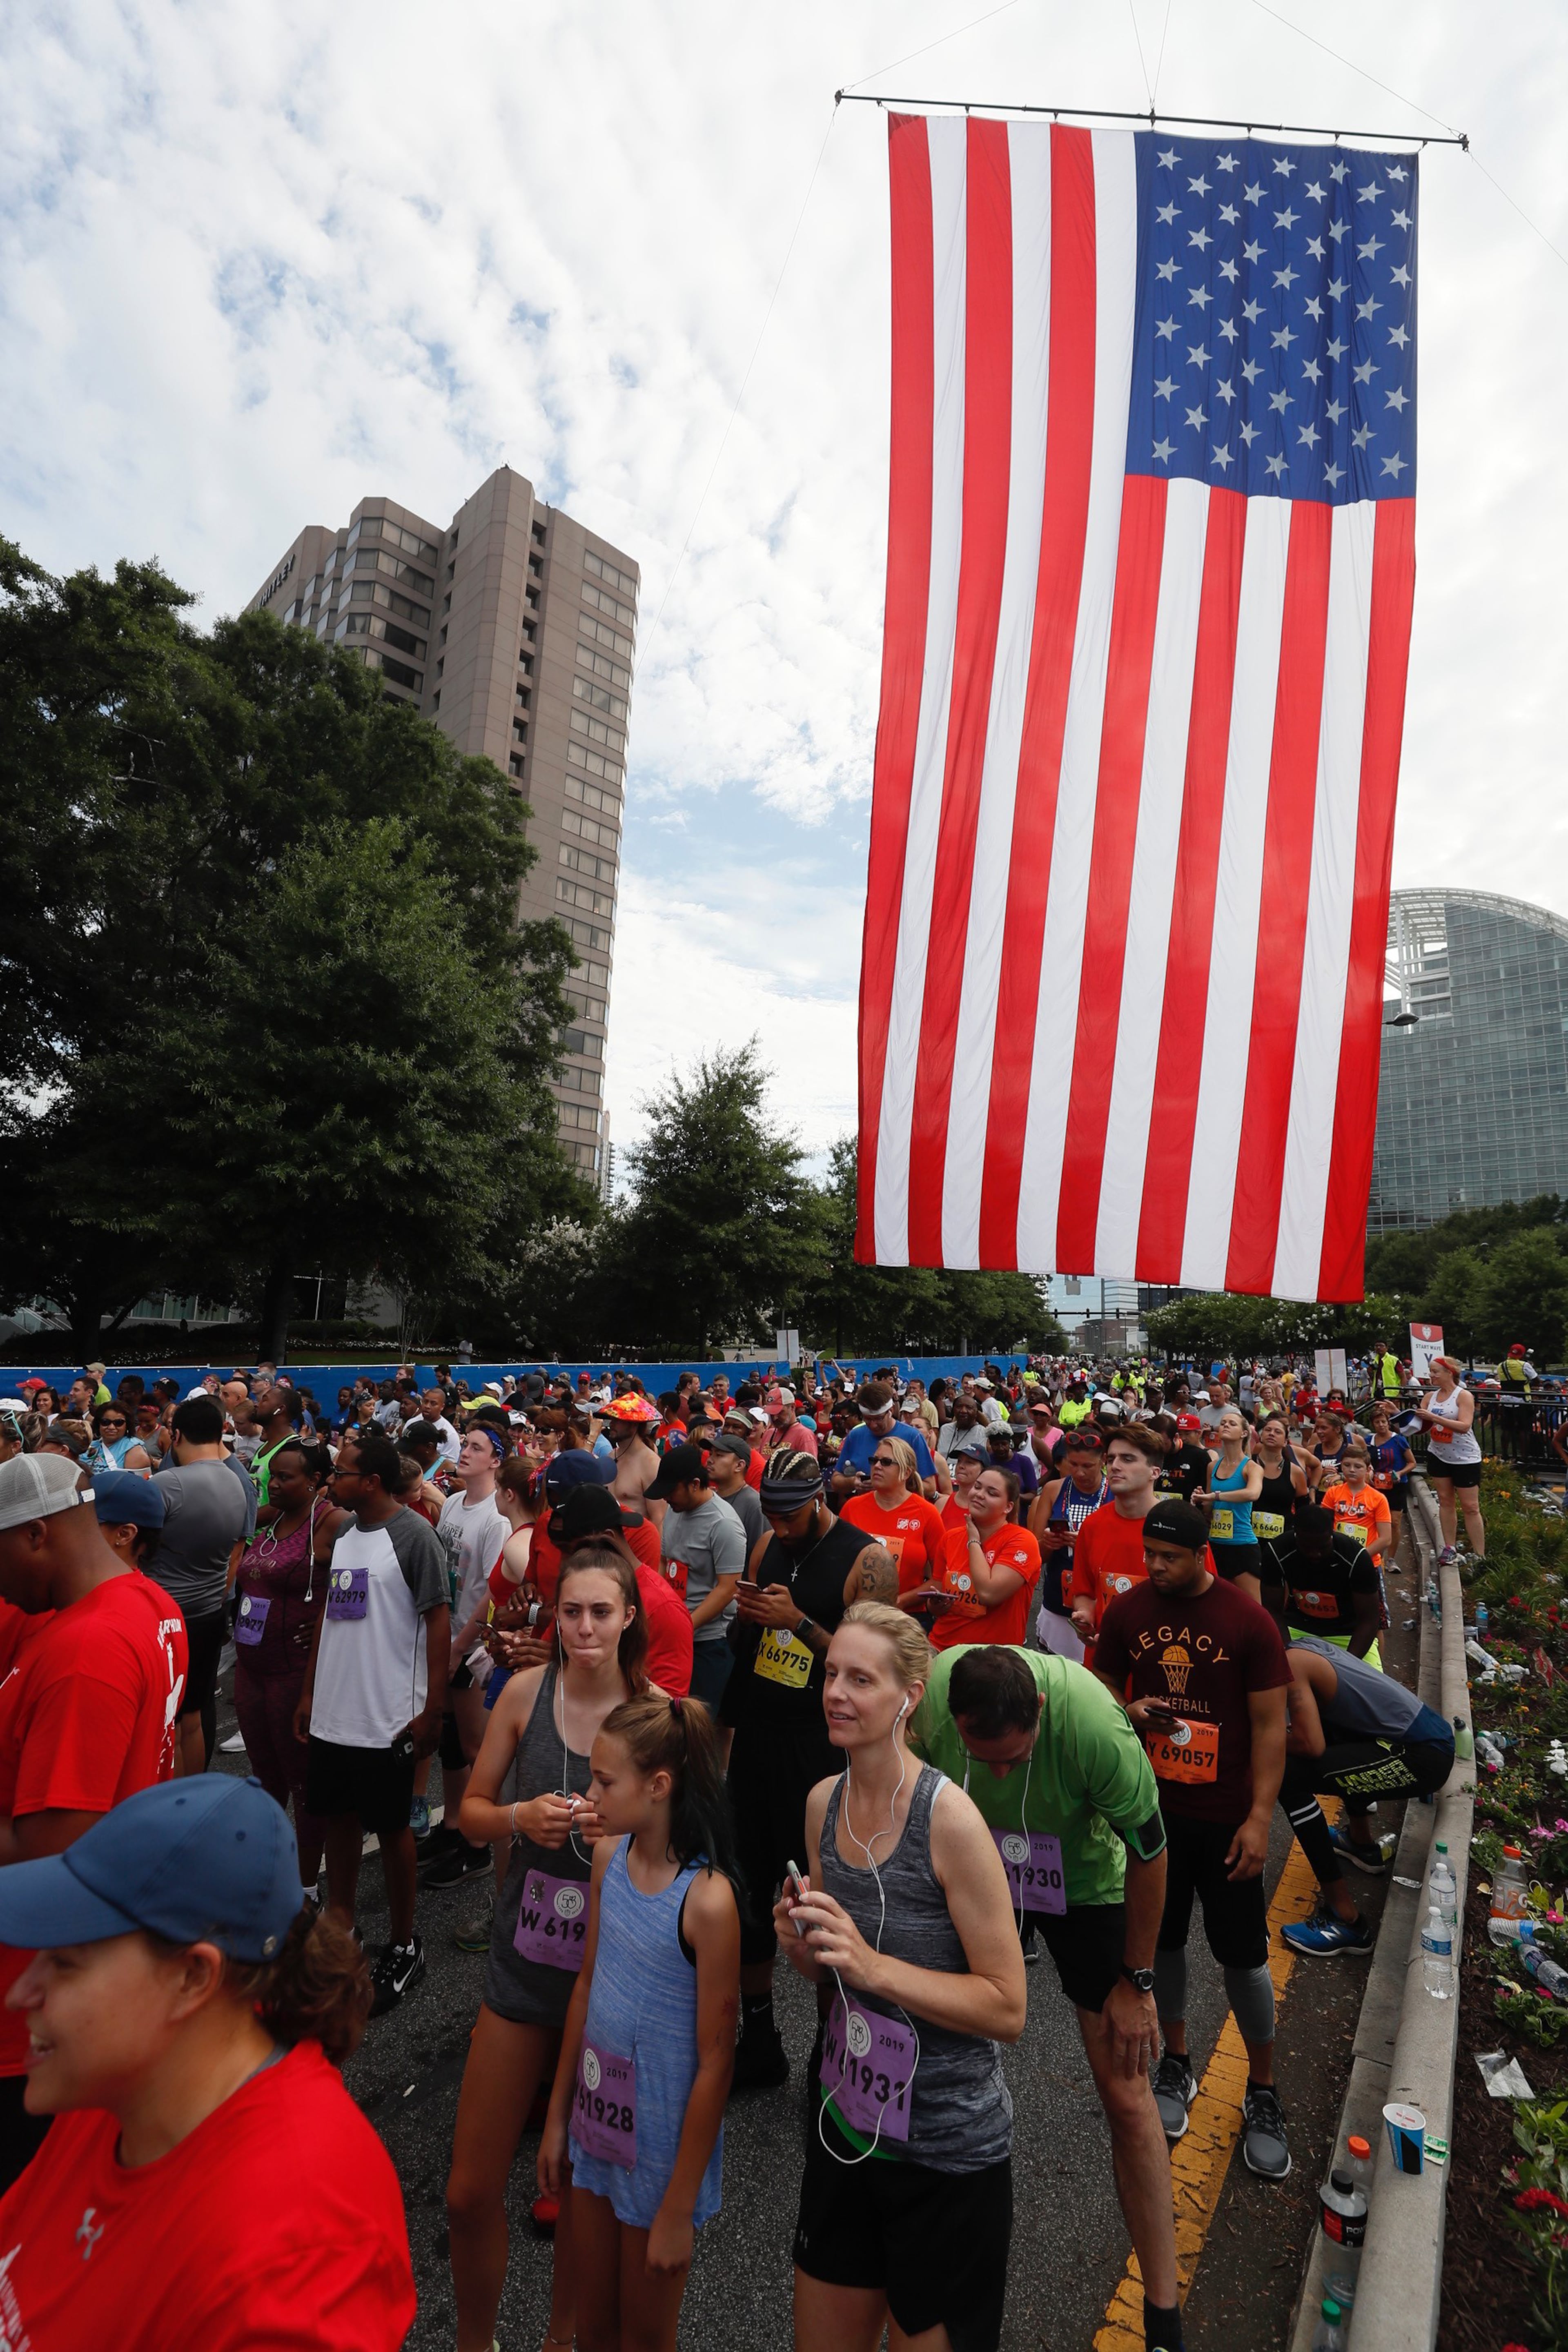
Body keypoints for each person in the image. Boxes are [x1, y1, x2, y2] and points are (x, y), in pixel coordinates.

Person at [0, 1774, 415, 2348]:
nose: (20, 1994)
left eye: (66, 1963)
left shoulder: (295, 2259)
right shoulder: (121, 2084)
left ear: (194, 1977)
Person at [910, 1642, 1183, 2350]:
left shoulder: (1095, 1725)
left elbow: (1153, 1854)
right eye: (983, 1756)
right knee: (917, 2055)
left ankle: (1163, 2317)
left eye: (1014, 1757)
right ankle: (912, 2284)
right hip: (968, 1863)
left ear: (1038, 1710)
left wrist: (1138, 1981)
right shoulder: (933, 1690)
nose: (999, 1770)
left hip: (1080, 1877)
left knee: (1126, 2090)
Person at [777, 1605, 1027, 2352]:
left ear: (909, 1697)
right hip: (846, 2126)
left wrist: (872, 1964)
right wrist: (797, 1936)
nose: (837, 1693)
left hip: (945, 2155)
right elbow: (824, 1969)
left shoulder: (949, 1821)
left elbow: (1008, 2005)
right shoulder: (824, 1804)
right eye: (831, 1675)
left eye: (861, 1679)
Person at [446, 1548, 651, 2352]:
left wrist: (627, 1835)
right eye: (572, 1612)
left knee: (580, 2198)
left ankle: (559, 2342)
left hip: (615, 1982)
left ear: (630, 1616)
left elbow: (688, 1858)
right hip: (525, 1966)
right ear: (552, 1616)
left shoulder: (656, 1712)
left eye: (602, 1612)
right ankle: (476, 2342)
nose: (586, 1627)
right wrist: (517, 1820)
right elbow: (467, 1810)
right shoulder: (526, 1694)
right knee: (468, 2192)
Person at [0, 1452, 189, 2189]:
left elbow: (53, 1843)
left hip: (35, 1985)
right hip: (103, 1946)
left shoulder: (84, 1649)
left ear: (37, 1536)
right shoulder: (147, 1601)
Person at [1092, 1501, 1293, 2182]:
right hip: (1154, 1817)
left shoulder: (1246, 1619)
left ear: (1203, 1554)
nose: (1155, 1567)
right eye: (1149, 1554)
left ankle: (1262, 2090)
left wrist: (1261, 1817)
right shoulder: (1130, 1611)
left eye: (1169, 1557)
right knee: (1161, 1946)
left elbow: (1271, 1725)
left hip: (1228, 1819)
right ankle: (1177, 2064)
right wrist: (1127, 1711)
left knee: (1243, 1958)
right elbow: (1098, 1689)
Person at [539, 1693, 741, 2352]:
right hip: (596, 2130)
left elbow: (717, 2061)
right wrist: (556, 2117)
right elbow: (588, 1985)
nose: (589, 1793)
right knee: (594, 2326)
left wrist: (679, 2207)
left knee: (645, 2337)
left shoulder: (708, 1904)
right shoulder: (607, 1859)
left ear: (659, 1787)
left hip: (659, 2150)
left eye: (603, 1780)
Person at [720, 1452, 896, 2089]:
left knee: (820, 1907)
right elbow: (758, 1638)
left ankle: (834, 2054)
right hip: (760, 1740)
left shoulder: (866, 1559)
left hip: (819, 1752)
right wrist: (751, 1620)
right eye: (771, 1513)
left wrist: (797, 1623)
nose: (780, 1525)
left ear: (819, 1499)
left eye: (791, 1513)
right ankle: (760, 2036)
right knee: (746, 1895)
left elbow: (872, 1663)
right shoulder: (768, 1539)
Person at [294, 1429, 450, 2016]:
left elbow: (438, 1623)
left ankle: (406, 1944)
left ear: (374, 1482)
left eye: (342, 1473)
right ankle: (342, 1931)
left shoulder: (414, 1537)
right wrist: (310, 1693)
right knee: (336, 1820)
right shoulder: (345, 1532)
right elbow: (333, 1617)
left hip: (387, 1719)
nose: (333, 1481)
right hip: (337, 1714)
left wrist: (432, 1709)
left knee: (391, 1832)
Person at [1278, 1638, 1456, 1956]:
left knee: (1287, 1776)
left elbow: (1310, 1745)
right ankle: (1362, 1845)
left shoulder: (1291, 1665)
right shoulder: (1306, 1649)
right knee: (1336, 1734)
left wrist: (1258, 1735)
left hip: (1421, 1756)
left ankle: (1346, 1919)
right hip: (1426, 1739)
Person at [232, 1439, 345, 1901]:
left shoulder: (333, 1523)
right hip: (250, 1668)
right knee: (265, 1775)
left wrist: (325, 1627)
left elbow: (359, 1592)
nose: (272, 1485)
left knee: (303, 1783)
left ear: (316, 1482)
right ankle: (267, 1870)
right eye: (271, 1476)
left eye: (285, 1478)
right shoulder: (271, 1519)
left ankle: (305, 1889)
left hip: (293, 1674)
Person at [423, 1426, 511, 1895]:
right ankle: (454, 1825)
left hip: (473, 1650)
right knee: (452, 1745)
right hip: (448, 1639)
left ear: (496, 1461)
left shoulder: (497, 1520)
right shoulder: (455, 1503)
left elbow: (496, 1594)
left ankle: (479, 1846)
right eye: (467, 1446)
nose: (466, 1453)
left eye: (477, 1448)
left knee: (477, 1749)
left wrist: (462, 1646)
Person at [147, 1394, 256, 1773]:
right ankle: (192, 1797)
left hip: (165, 1616)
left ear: (176, 1435)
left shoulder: (168, 1482)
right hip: (210, 1610)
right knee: (193, 1712)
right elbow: (237, 1551)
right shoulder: (239, 1481)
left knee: (166, 1718)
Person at [648, 1442, 744, 1710]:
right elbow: (665, 1562)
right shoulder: (675, 1511)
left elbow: (728, 1589)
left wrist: (685, 1626)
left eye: (671, 1491)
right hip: (673, 1633)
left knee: (696, 1724)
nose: (666, 1498)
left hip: (709, 1642)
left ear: (694, 1484)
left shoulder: (723, 1524)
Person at [1070, 1426, 1170, 1661]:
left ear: (1154, 1472)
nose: (1115, 1466)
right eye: (1112, 1458)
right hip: (1103, 1661)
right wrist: (1085, 1617)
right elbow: (1084, 1592)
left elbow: (1202, 1601)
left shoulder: (1179, 1526)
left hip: (1161, 1663)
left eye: (1128, 1459)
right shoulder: (1093, 1525)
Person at [925, 1466, 1041, 1650]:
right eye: (977, 1487)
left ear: (1008, 1507)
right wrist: (935, 1605)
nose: (979, 1494)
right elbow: (938, 1588)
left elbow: (989, 1594)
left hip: (994, 1658)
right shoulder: (951, 1538)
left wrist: (973, 1541)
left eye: (992, 1493)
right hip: (942, 1647)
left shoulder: (1022, 1540)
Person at [1258, 1503, 1382, 1666]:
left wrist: (1348, 1665)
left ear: (1332, 1534)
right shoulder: (1276, 1552)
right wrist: (1287, 1651)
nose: (1315, 1554)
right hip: (1297, 1629)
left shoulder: (1356, 1557)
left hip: (1348, 1634)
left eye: (1323, 1547)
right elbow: (1272, 1611)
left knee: (1371, 1689)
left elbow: (1369, 1620)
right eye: (1307, 1548)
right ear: (1296, 1536)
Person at [837, 1434, 949, 1601]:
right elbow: (836, 1562)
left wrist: (901, 1602)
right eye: (874, 1460)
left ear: (906, 1473)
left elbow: (940, 1579)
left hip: (907, 1616)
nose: (877, 1466)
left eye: (886, 1462)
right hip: (856, 1612)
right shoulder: (852, 1507)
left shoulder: (927, 1513)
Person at [1029, 1430, 1108, 1662]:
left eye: (1089, 1466)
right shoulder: (1055, 1489)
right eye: (1073, 1464)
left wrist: (1087, 1545)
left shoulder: (1116, 1493)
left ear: (1103, 1461)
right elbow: (1037, 1555)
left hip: (1099, 1599)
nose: (1080, 1472)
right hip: (1058, 1597)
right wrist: (1049, 1542)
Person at [1415, 1356, 1486, 1562]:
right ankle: (1450, 1548)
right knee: (1445, 1502)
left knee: (1471, 1507)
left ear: (1449, 1372)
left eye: (1436, 1371)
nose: (1432, 1375)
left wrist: (1435, 1418)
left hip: (1465, 1458)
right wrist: (1399, 1416)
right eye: (1430, 1371)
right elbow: (1420, 1428)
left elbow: (1465, 1426)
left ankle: (1480, 1556)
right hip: (1438, 1454)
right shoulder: (1430, 1397)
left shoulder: (1463, 1396)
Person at [1195, 1408, 1263, 1599]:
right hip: (1215, 1543)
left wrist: (1214, 1496)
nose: (1225, 1425)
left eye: (1232, 1424)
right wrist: (1202, 1498)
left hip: (1241, 1544)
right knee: (1215, 1602)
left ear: (1244, 1433)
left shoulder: (1251, 1467)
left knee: (1251, 1607)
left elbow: (1253, 1493)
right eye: (1223, 1423)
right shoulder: (1213, 1466)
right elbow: (1209, 1509)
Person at [829, 1380, 937, 1499]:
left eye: (879, 1419)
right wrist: (853, 1482)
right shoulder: (855, 1435)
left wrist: (890, 1484)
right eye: (868, 1419)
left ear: (890, 1411)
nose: (873, 1425)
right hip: (864, 1511)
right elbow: (836, 1481)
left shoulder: (913, 1437)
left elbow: (931, 1488)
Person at [1318, 1444, 1393, 1572]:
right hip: (1337, 1560)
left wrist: (1360, 1557)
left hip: (1367, 1562)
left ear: (1368, 1469)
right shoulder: (1332, 1493)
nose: (1352, 1470)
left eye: (1358, 1467)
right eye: (1347, 1465)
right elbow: (1324, 1527)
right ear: (1341, 1466)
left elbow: (1386, 1539)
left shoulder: (1379, 1498)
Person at [1366, 1399, 1416, 1567]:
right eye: (1377, 1422)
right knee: (1375, 1522)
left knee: (1395, 1522)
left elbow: (1412, 1463)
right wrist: (1369, 1471)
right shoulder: (1369, 1442)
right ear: (1373, 1425)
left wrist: (1400, 1473)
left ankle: (1391, 1559)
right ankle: (1376, 1556)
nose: (1381, 1425)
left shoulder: (1399, 1440)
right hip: (1376, 1487)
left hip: (1397, 1486)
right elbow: (1364, 1461)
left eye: (1384, 1422)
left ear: (1388, 1423)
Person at [706, 1431, 766, 1551]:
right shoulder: (710, 1498)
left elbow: (759, 1556)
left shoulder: (754, 1505)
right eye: (711, 1454)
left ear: (739, 1466)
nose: (710, 1460)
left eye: (719, 1455)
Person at [84, 1400, 151, 1476]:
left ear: (128, 1425)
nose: (111, 1427)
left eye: (118, 1423)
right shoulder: (88, 1446)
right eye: (106, 1422)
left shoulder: (135, 1451)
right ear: (99, 1424)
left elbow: (136, 1486)